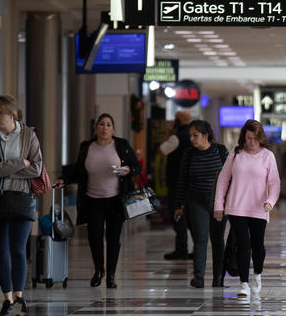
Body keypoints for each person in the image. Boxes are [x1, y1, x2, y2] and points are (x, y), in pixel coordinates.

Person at [0, 95, 42, 316]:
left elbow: (36, 168)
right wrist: (18, 164)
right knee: (1, 250)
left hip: (21, 198)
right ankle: (7, 299)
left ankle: (19, 297)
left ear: (12, 114)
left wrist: (3, 168)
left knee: (18, 249)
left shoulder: (28, 135)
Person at [62, 113, 142, 289]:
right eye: (101, 124)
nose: (104, 127)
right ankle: (99, 270)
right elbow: (77, 170)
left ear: (113, 129)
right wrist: (64, 180)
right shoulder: (86, 146)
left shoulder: (121, 145)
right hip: (93, 200)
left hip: (115, 200)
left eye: (108, 124)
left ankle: (111, 275)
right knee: (94, 237)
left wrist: (127, 170)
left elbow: (137, 167)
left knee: (113, 239)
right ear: (96, 128)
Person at [214, 119, 280, 297]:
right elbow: (223, 180)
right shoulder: (235, 154)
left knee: (257, 246)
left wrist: (270, 201)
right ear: (243, 137)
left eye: (255, 138)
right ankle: (243, 283)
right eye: (248, 138)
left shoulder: (267, 156)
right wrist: (219, 204)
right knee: (242, 245)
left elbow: (274, 183)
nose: (251, 142)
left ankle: (257, 274)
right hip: (236, 207)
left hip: (259, 208)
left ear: (261, 138)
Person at [174, 120, 229, 288]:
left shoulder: (220, 151)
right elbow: (182, 180)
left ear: (206, 135)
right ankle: (198, 278)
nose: (191, 139)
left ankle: (218, 278)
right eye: (190, 135)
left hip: (219, 202)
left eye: (195, 135)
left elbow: (229, 178)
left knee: (218, 240)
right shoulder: (189, 154)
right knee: (200, 239)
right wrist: (178, 205)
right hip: (196, 201)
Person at [159, 110, 192, 260]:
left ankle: (181, 249)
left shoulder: (175, 137)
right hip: (191, 183)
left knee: (177, 215)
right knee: (190, 218)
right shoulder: (193, 136)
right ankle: (193, 249)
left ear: (177, 121)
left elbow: (161, 151)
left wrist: (168, 132)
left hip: (176, 183)